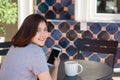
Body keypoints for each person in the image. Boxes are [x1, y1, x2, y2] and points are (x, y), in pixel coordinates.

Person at [0, 14, 60, 80]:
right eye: (38, 30)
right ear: (29, 31)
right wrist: (55, 67)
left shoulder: (14, 47)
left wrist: (41, 61)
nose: (43, 34)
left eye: (45, 29)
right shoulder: (36, 51)